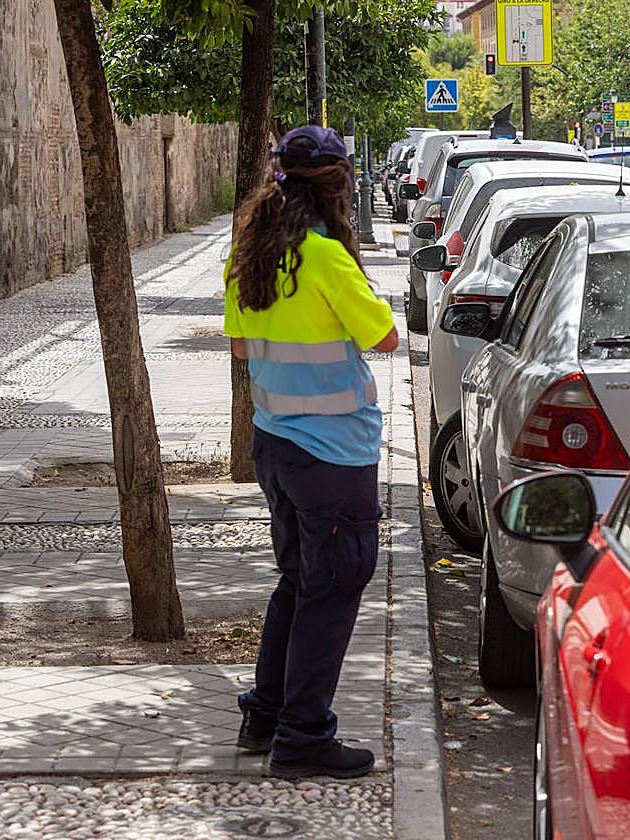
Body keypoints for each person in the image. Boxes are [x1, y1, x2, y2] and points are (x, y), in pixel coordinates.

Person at [223, 125, 399, 779]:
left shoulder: (250, 252)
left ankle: (265, 716)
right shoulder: (325, 257)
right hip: (332, 453)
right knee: (334, 585)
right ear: (337, 186)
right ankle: (303, 737)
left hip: (275, 442)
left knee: (299, 580)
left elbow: (241, 348)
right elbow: (382, 335)